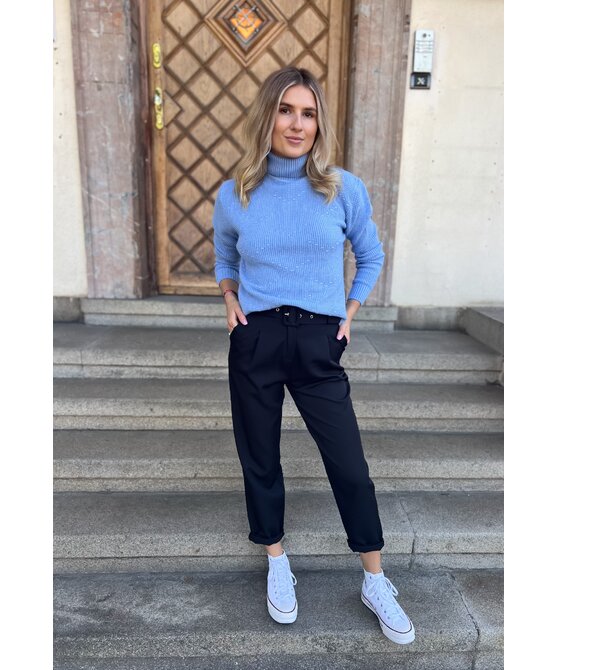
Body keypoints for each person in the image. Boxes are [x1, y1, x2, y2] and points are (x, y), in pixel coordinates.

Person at [212, 66, 414, 645]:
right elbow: (225, 253)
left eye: (308, 113)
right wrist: (229, 297)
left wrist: (349, 313)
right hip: (256, 338)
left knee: (348, 464)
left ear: (319, 122)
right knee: (260, 456)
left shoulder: (341, 188)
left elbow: (370, 255)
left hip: (319, 340)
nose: (297, 124)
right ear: (267, 116)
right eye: (286, 110)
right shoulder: (235, 192)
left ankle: (374, 578)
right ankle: (277, 560)